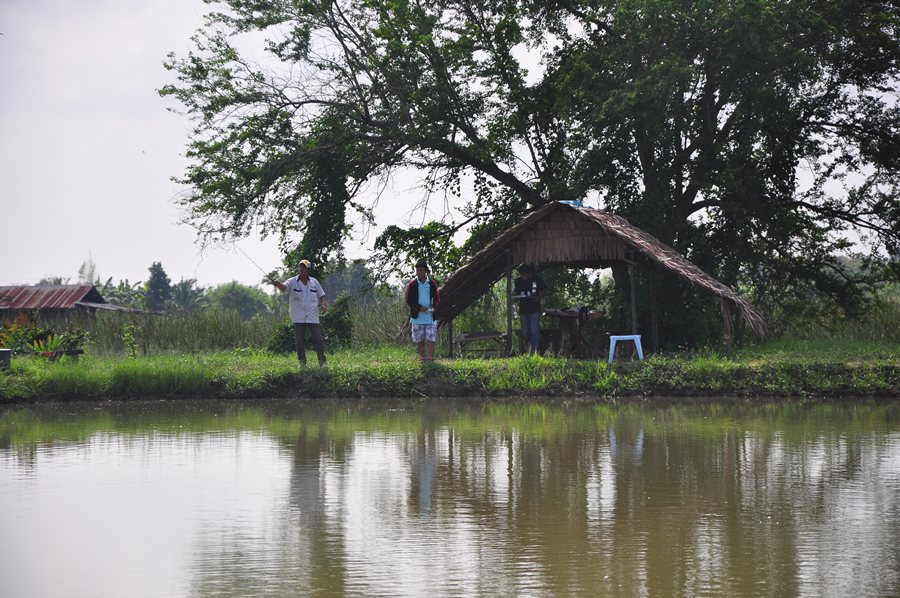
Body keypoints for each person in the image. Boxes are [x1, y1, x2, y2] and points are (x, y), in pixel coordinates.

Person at [269, 259, 329, 367]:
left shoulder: (314, 282)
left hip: (312, 316)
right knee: (299, 342)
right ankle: (302, 363)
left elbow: (322, 295)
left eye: (304, 267)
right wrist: (277, 284)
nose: (301, 269)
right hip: (298, 316)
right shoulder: (292, 281)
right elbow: (283, 287)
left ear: (308, 269)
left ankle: (322, 362)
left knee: (318, 339)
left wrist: (323, 304)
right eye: (300, 266)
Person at [405, 259, 440, 363]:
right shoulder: (412, 284)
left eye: (421, 270)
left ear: (426, 271)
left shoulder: (432, 283)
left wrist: (433, 307)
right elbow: (409, 300)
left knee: (431, 337)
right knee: (420, 338)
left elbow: (437, 298)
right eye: (417, 270)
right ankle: (422, 358)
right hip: (417, 316)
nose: (419, 272)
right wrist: (419, 308)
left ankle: (430, 358)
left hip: (430, 316)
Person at [513, 264, 545, 354]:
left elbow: (542, 294)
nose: (524, 276)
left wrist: (537, 298)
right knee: (525, 331)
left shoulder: (537, 279)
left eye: (525, 274)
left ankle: (534, 351)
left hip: (534, 309)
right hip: (523, 310)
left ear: (529, 273)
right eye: (522, 274)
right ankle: (528, 347)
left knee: (534, 330)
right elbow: (516, 293)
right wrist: (514, 298)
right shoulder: (518, 281)